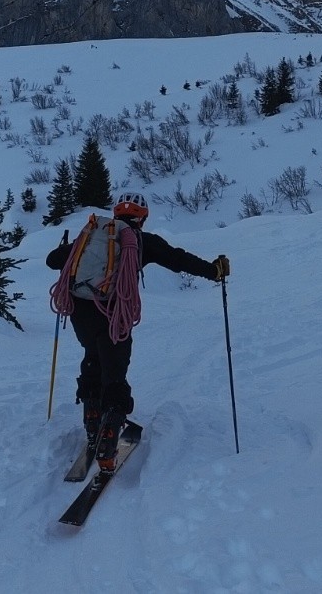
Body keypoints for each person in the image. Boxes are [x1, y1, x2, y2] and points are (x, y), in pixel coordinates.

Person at [46, 192, 229, 470]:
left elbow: (52, 260)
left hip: (81, 313)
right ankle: (109, 440)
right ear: (142, 218)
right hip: (113, 314)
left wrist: (69, 249)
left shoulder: (91, 235)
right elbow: (178, 259)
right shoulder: (143, 242)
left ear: (116, 213)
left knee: (92, 358)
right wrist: (213, 271)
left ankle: (93, 422)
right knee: (115, 372)